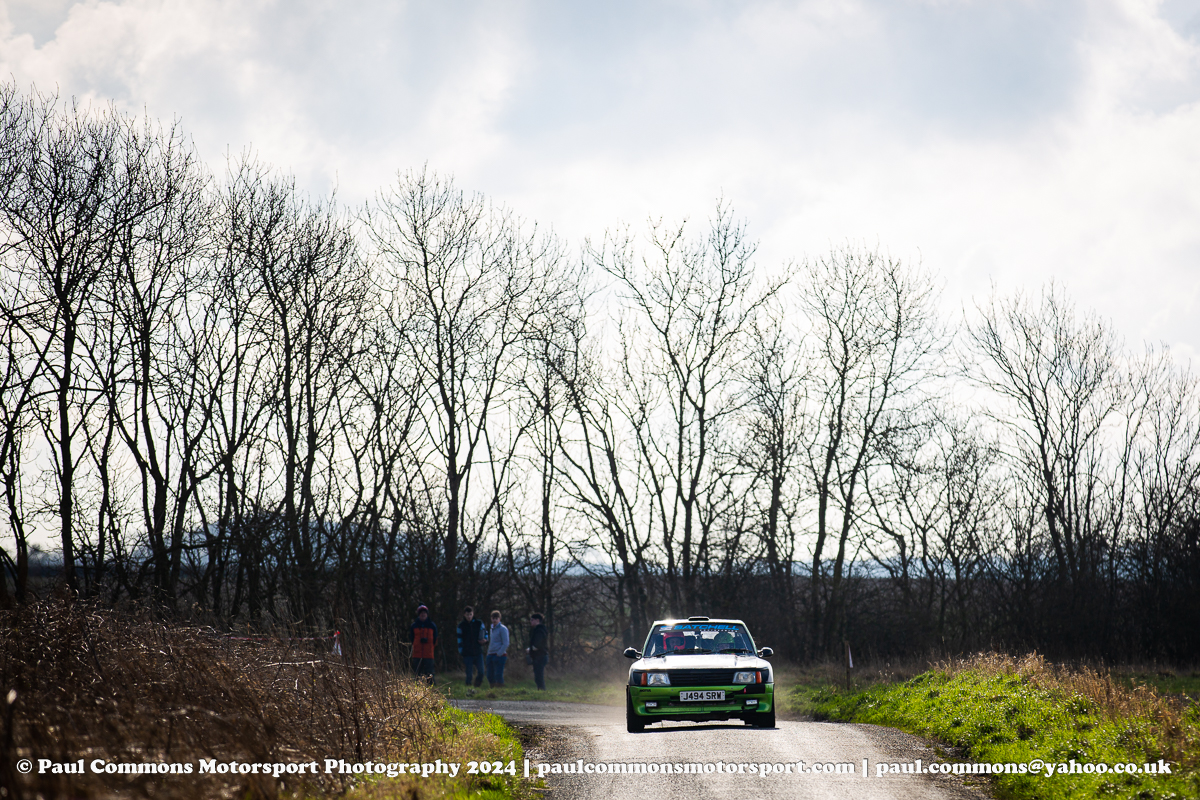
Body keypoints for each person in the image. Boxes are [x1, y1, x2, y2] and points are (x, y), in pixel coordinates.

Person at [456, 606, 487, 687]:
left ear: (473, 614)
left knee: (481, 672)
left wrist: (485, 639)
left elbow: (485, 633)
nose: (469, 616)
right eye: (467, 615)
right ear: (464, 615)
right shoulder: (461, 626)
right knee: (469, 674)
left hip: (478, 652)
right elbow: (459, 640)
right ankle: (468, 688)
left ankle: (477, 686)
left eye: (470, 614)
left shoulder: (479, 623)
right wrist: (461, 651)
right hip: (467, 653)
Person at [409, 604, 438, 683]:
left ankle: (431, 687)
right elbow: (411, 638)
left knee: (430, 673)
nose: (423, 614)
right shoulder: (414, 626)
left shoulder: (432, 625)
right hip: (417, 654)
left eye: (424, 613)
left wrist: (431, 647)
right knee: (417, 673)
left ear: (427, 614)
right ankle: (418, 686)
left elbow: (435, 639)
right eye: (421, 613)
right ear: (419, 614)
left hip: (429, 654)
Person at [486, 610, 509, 687]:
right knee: (489, 675)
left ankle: (500, 689)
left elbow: (506, 643)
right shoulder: (491, 629)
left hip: (500, 655)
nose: (494, 620)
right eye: (493, 618)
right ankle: (493, 689)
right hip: (490, 654)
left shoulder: (503, 629)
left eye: (496, 618)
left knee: (498, 674)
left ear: (499, 619)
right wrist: (488, 653)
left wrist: (499, 654)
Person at [527, 612, 549, 691]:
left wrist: (530, 649)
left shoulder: (539, 630)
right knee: (538, 676)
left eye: (532, 620)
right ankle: (541, 690)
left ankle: (542, 691)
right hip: (539, 656)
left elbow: (538, 644)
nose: (530, 621)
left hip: (540, 656)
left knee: (539, 676)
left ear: (537, 620)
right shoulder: (539, 630)